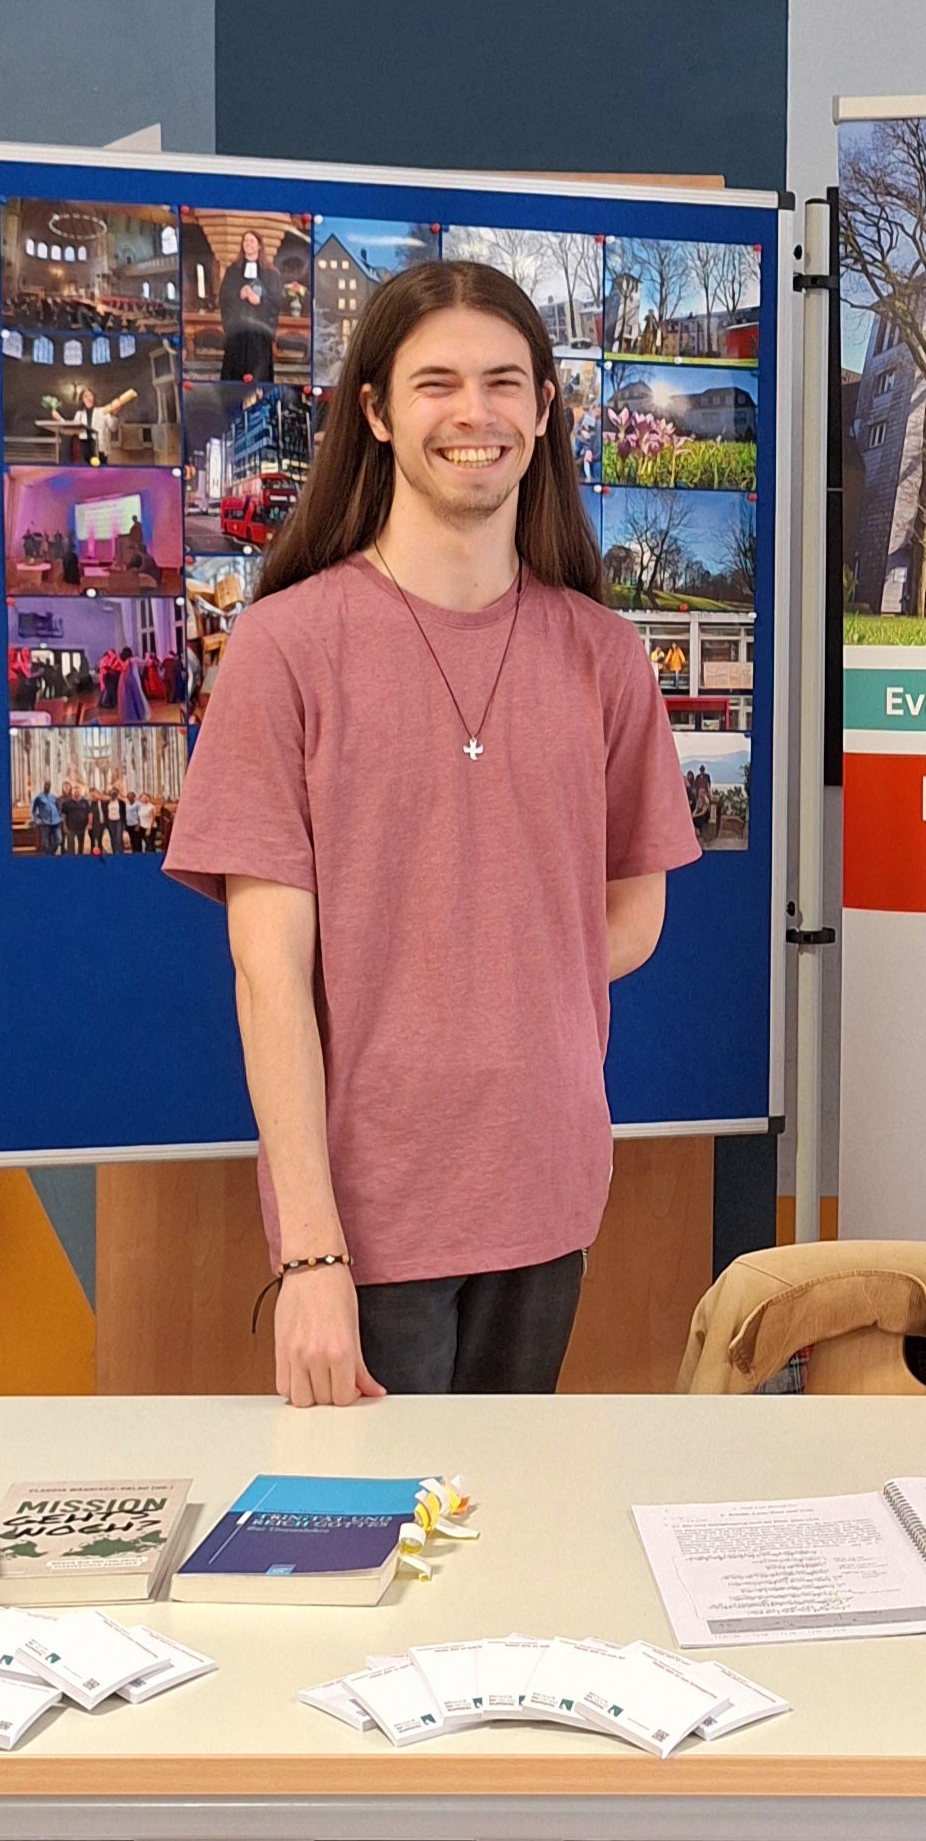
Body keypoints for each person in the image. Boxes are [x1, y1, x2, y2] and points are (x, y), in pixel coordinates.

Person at [164, 259, 699, 1406]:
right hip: (365, 1214)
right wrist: (309, 1251)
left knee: (494, 1545)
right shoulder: (285, 648)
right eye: (437, 382)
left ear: (546, 408)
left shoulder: (603, 657)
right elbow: (267, 975)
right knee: (372, 1553)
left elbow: (636, 914)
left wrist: (489, 986)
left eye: (506, 382)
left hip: (550, 1189)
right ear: (375, 410)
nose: (475, 412)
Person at [219, 229, 284, 383]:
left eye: (252, 241)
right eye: (245, 241)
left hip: (259, 334)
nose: (248, 244)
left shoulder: (271, 273)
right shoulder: (232, 271)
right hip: (237, 333)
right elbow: (224, 298)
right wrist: (238, 294)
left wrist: (260, 301)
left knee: (259, 376)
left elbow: (277, 301)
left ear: (259, 246)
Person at [117, 646, 151, 724]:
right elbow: (145, 662)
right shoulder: (133, 659)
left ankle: (129, 716)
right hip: (132, 679)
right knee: (136, 697)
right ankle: (138, 715)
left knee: (126, 699)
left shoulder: (122, 660)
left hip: (123, 680)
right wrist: (147, 655)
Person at [29, 783, 61, 856]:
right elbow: (33, 810)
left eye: (49, 785)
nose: (47, 787)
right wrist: (37, 820)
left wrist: (59, 816)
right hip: (45, 822)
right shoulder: (39, 797)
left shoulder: (53, 796)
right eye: (46, 785)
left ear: (50, 787)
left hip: (55, 821)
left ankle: (51, 852)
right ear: (43, 786)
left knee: (59, 839)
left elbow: (57, 807)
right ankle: (49, 855)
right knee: (45, 842)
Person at [102, 784, 126, 855]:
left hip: (119, 821)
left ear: (117, 794)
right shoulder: (106, 803)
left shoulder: (121, 802)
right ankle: (114, 852)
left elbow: (124, 813)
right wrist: (105, 823)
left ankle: (120, 853)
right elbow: (105, 812)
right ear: (110, 794)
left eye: (115, 793)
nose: (113, 795)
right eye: (112, 793)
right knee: (112, 837)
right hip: (110, 821)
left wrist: (124, 823)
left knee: (118, 837)